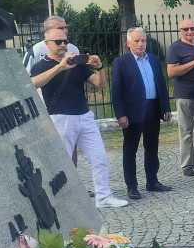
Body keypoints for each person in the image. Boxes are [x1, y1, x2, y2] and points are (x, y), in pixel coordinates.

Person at [30, 27, 126, 208]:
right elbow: (34, 83)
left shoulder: (77, 63)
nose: (62, 45)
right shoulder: (41, 65)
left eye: (65, 41)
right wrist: (60, 67)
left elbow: (100, 84)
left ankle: (103, 197)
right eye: (58, 42)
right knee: (64, 162)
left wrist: (99, 67)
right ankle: (65, 201)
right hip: (60, 117)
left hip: (84, 115)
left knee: (99, 157)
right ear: (47, 44)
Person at [111, 28, 173, 199]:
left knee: (152, 147)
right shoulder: (121, 62)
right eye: (137, 41)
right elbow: (116, 92)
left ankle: (152, 181)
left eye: (143, 41)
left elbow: (161, 84)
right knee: (130, 149)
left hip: (153, 108)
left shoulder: (153, 60)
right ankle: (132, 186)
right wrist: (120, 114)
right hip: (132, 111)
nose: (140, 44)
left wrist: (165, 108)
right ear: (129, 43)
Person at [166, 19, 194, 177]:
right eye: (186, 29)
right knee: (186, 132)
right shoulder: (175, 47)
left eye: (192, 28)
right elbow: (171, 72)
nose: (189, 31)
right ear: (180, 31)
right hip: (185, 94)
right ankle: (187, 165)